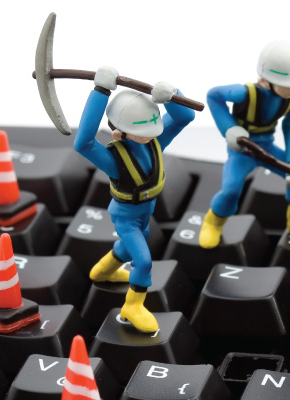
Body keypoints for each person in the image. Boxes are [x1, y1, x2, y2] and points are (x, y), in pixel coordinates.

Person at [74, 66, 195, 332]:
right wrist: (100, 92)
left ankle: (102, 272)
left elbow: (185, 117)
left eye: (154, 125)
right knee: (143, 260)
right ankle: (133, 305)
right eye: (143, 128)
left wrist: (170, 94)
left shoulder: (155, 142)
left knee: (129, 248)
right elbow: (83, 143)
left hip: (144, 212)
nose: (152, 131)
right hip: (125, 216)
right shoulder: (114, 160)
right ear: (119, 132)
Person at [198, 40, 290, 248]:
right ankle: (213, 222)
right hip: (242, 152)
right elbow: (213, 96)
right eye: (286, 86)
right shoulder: (243, 93)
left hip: (267, 148)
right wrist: (229, 129)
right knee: (231, 189)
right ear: (266, 80)